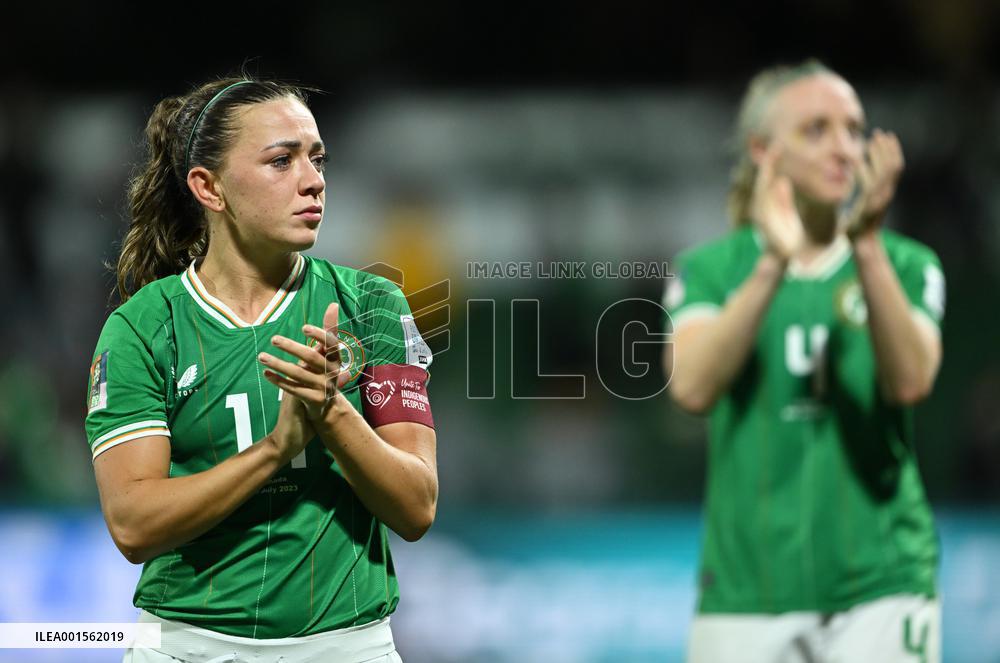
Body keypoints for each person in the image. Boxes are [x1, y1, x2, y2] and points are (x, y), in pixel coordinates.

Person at [84, 76, 438, 663]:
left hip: (348, 648)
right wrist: (277, 449)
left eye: (317, 159)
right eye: (282, 161)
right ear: (210, 187)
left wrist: (331, 411)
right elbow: (134, 525)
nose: (314, 180)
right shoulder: (142, 328)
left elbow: (417, 506)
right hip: (184, 648)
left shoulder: (373, 305)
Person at [662, 60, 945, 662]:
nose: (844, 148)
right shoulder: (712, 269)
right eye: (817, 130)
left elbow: (912, 380)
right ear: (764, 152)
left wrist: (865, 243)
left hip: (883, 585)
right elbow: (691, 388)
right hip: (746, 592)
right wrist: (773, 266)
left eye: (854, 129)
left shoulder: (908, 263)